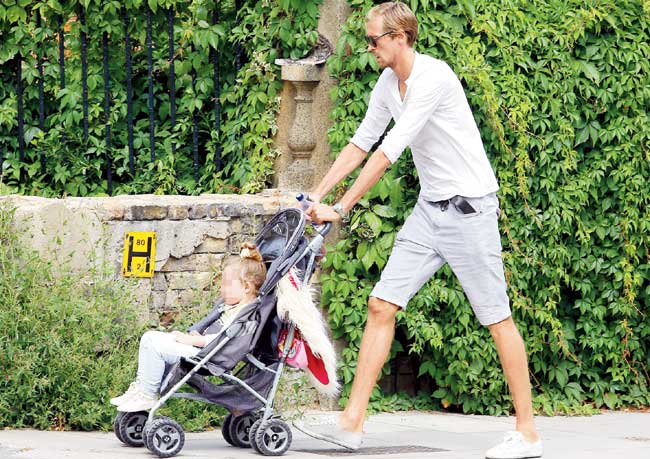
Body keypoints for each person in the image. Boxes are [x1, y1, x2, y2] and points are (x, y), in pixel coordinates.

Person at [293, 3, 542, 459]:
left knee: (497, 319)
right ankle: (351, 424)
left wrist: (343, 208)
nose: (369, 48)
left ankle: (527, 435)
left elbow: (389, 151)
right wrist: (317, 194)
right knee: (381, 304)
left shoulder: (434, 78)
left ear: (401, 36)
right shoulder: (388, 84)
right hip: (430, 211)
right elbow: (360, 142)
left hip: (470, 211)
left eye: (375, 40)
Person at [110, 242, 267, 413]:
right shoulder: (233, 306)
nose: (221, 289)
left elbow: (223, 339)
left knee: (154, 344)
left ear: (246, 287)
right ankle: (141, 388)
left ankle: (147, 393)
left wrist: (193, 339)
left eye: (227, 284)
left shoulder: (246, 315)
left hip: (210, 357)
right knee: (150, 337)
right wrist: (194, 336)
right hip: (204, 350)